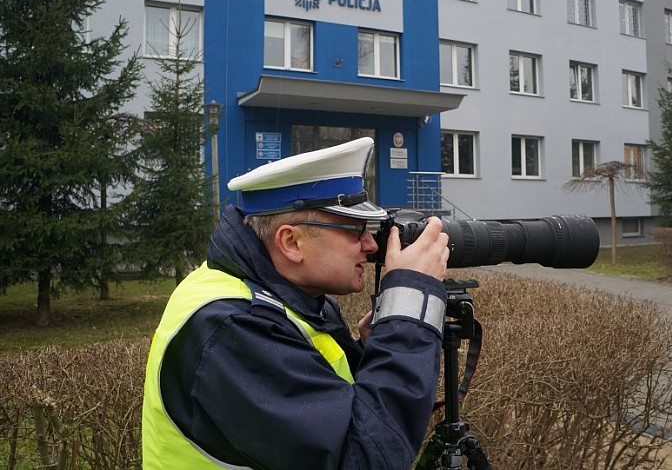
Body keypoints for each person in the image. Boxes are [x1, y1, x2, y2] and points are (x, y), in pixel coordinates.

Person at [142, 137, 450, 469]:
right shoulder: (232, 325)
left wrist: (378, 347)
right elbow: (363, 457)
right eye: (355, 229)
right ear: (290, 242)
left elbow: (336, 409)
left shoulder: (281, 296)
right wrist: (410, 306)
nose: (370, 244)